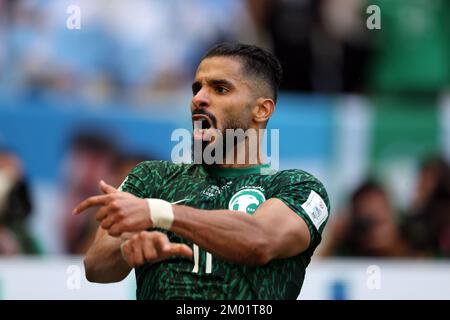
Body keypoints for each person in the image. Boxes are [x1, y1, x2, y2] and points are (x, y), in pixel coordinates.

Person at [74, 43, 331, 299]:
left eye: (220, 89)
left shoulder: (297, 187)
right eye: (197, 88)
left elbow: (260, 241)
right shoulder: (152, 178)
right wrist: (128, 249)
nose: (198, 99)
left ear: (261, 110)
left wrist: (160, 213)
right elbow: (95, 267)